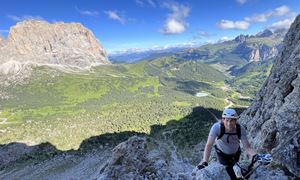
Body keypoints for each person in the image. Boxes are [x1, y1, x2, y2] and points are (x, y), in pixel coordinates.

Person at [197, 108, 257, 180]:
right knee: (228, 172)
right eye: (227, 120)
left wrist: (256, 156)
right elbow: (209, 145)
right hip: (222, 154)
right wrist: (205, 161)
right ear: (223, 120)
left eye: (231, 120)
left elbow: (247, 148)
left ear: (235, 121)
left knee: (236, 169)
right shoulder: (216, 128)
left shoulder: (240, 129)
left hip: (236, 153)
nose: (229, 123)